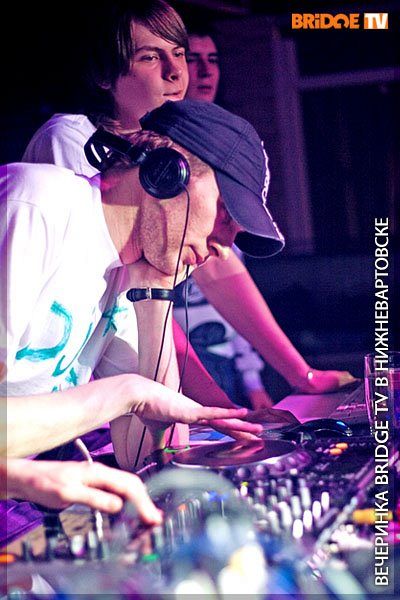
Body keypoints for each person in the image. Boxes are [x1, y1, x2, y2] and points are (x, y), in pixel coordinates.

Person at [22, 1, 356, 409]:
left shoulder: (178, 160)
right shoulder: (70, 143)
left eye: (178, 54)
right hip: (75, 393)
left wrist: (299, 375)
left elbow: (216, 270)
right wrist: (215, 408)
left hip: (118, 383)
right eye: (150, 57)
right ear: (104, 75)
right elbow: (132, 301)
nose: (177, 72)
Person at [4, 98, 298, 544]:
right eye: (225, 214)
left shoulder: (124, 273)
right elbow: (131, 400)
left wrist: (155, 298)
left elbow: (154, 454)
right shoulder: (37, 204)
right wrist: (126, 393)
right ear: (167, 172)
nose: (224, 245)